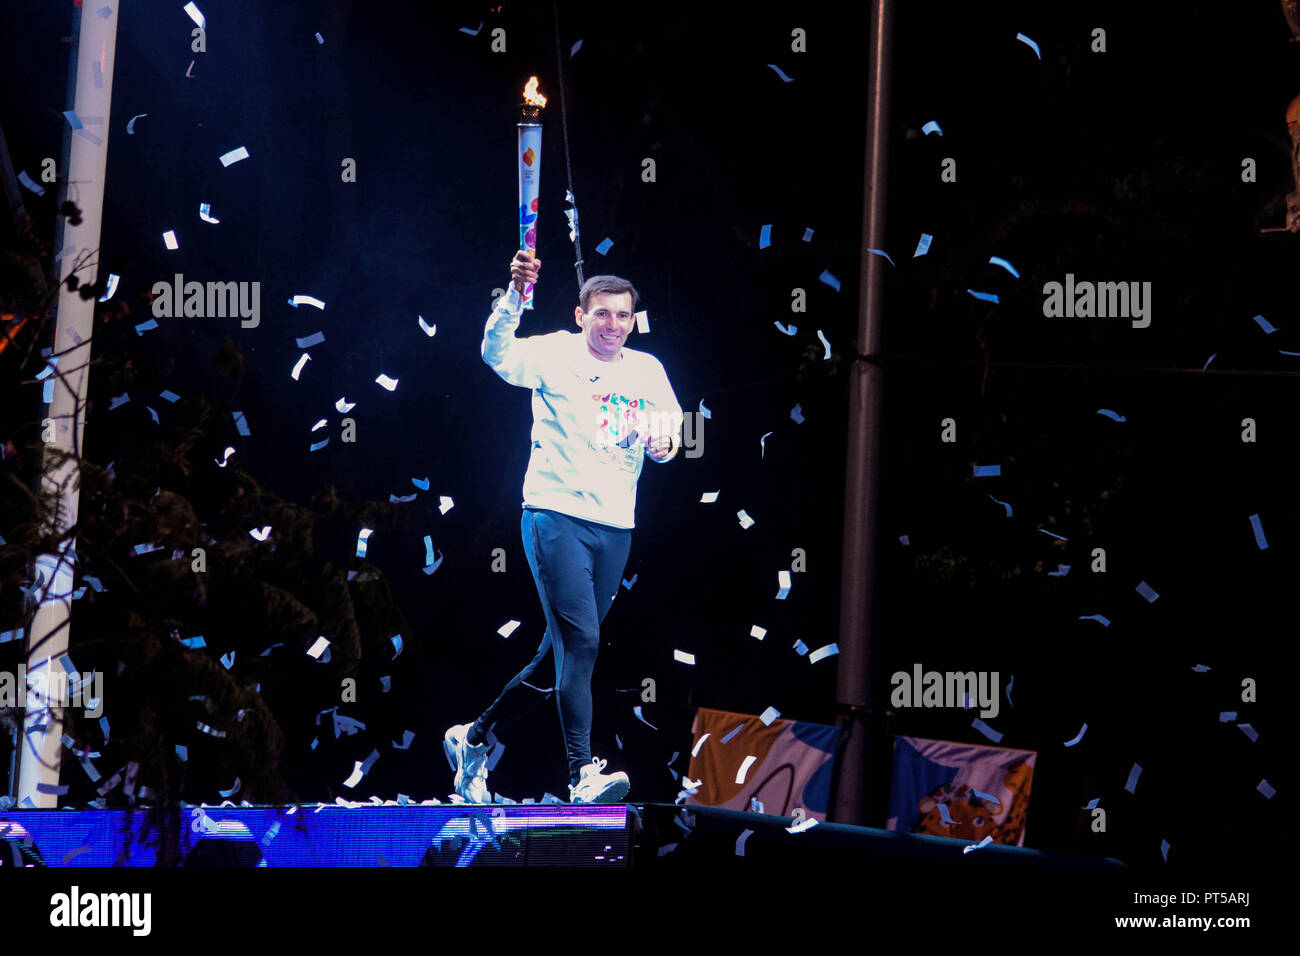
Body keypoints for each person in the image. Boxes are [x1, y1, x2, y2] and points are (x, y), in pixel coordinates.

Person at [444, 250, 683, 804]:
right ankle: (583, 774)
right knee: (583, 641)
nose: (613, 325)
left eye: (623, 316)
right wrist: (514, 297)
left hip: (615, 526)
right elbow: (495, 354)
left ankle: (473, 738)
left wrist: (664, 443)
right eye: (602, 314)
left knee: (561, 657)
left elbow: (673, 437)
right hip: (554, 514)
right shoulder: (553, 353)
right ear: (581, 316)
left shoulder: (648, 370)